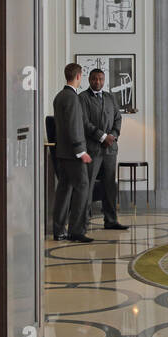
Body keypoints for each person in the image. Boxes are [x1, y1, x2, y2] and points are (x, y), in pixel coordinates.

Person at [80, 68, 129, 231]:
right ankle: (83, 222)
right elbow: (85, 123)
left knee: (109, 186)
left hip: (110, 150)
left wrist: (113, 136)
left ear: (104, 80)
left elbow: (118, 118)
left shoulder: (109, 97)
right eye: (94, 79)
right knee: (87, 186)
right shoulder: (83, 98)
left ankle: (111, 220)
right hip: (93, 149)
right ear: (89, 80)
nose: (98, 82)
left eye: (101, 79)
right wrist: (102, 137)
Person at [52, 63, 93, 242]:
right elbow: (74, 126)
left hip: (61, 152)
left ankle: (59, 230)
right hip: (73, 154)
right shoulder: (72, 98)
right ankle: (76, 231)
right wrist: (80, 151)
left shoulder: (59, 96)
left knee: (64, 191)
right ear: (78, 76)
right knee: (82, 188)